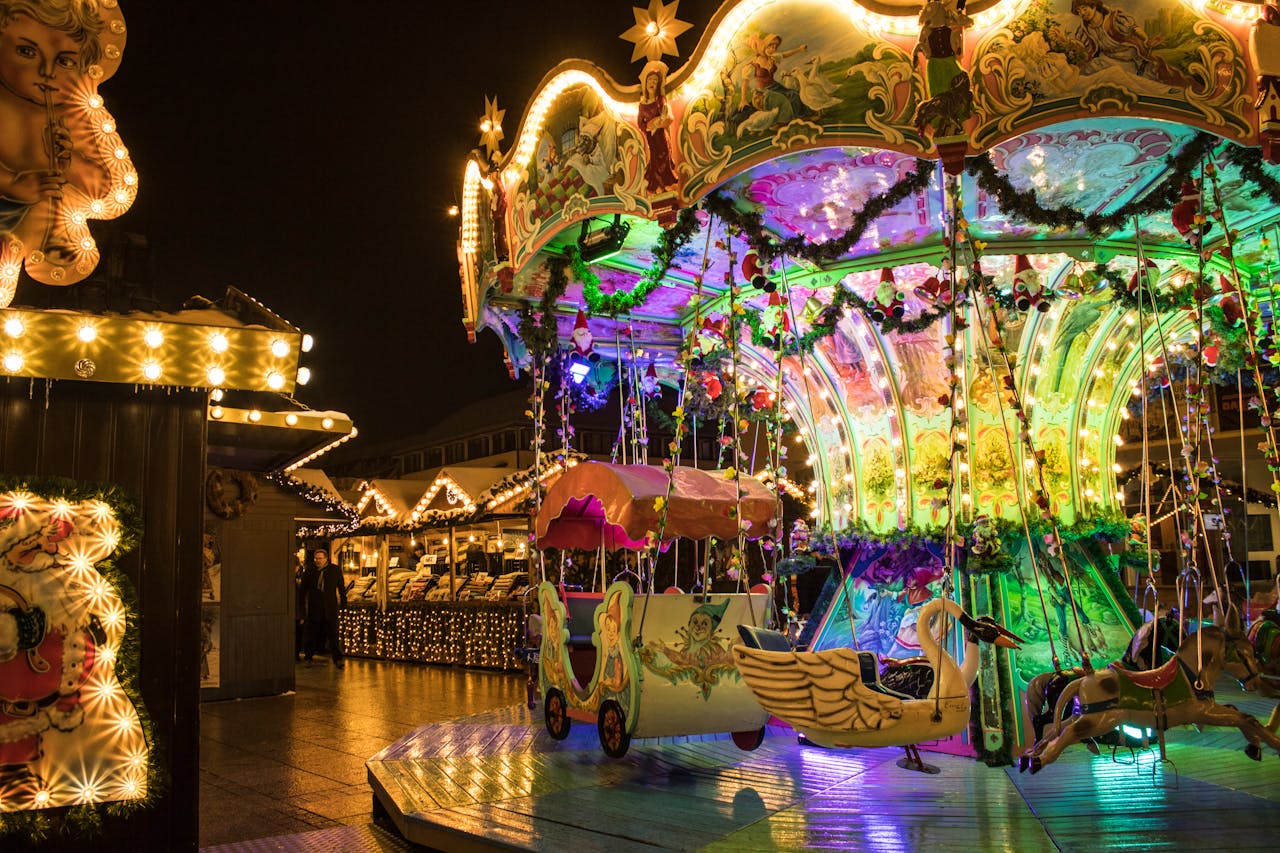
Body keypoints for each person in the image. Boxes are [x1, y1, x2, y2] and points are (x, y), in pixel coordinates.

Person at [0, 1, 110, 260]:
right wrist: (11, 183)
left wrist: (70, 164)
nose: (46, 72)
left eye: (65, 61)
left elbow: (104, 189)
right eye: (26, 51)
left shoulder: (69, 114)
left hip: (29, 230)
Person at [300, 547, 346, 668]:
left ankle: (338, 658)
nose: (318, 561)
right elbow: (303, 590)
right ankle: (308, 657)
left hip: (330, 607)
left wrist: (344, 603)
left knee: (333, 634)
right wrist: (302, 607)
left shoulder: (334, 570)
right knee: (311, 634)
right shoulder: (310, 572)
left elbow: (341, 587)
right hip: (315, 607)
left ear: (326, 558)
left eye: (320, 558)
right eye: (316, 559)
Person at [638, 60, 678, 194]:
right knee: (654, 159)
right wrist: (647, 126)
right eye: (650, 80)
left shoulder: (660, 100)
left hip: (660, 134)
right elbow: (640, 123)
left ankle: (666, 182)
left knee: (664, 154)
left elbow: (668, 117)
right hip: (651, 136)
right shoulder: (642, 104)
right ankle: (657, 185)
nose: (652, 83)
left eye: (655, 81)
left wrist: (658, 121)